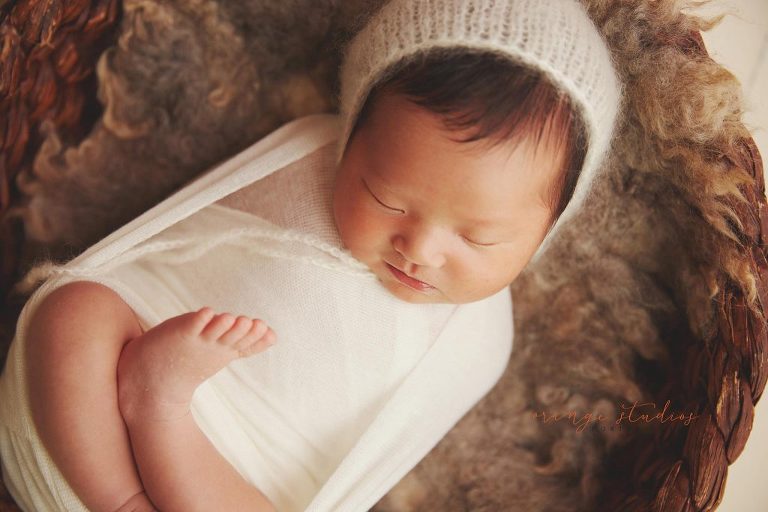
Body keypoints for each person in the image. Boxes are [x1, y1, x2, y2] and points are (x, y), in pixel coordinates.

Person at [0, 0, 622, 510]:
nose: (420, 248)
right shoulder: (308, 160)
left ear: (546, 232)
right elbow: (167, 245)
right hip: (92, 412)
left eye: (478, 238)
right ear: (350, 134)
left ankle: (161, 410)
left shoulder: (484, 343)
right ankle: (126, 486)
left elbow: (355, 476)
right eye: (385, 197)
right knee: (76, 310)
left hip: (227, 479)